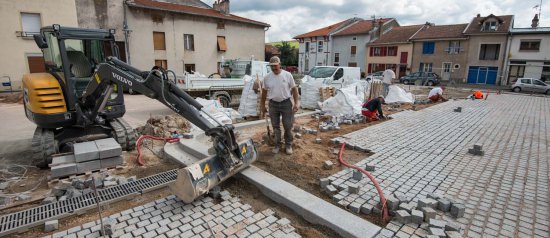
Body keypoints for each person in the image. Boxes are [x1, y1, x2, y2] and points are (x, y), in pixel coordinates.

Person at [260, 56, 300, 155]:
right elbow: (264, 92)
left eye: (275, 66)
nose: (274, 68)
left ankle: (288, 145)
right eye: (272, 66)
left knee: (287, 126)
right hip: (273, 104)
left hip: (286, 103)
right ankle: (277, 145)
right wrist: (262, 105)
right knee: (276, 127)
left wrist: (297, 103)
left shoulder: (287, 75)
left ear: (280, 64)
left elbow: (294, 89)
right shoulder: (267, 77)